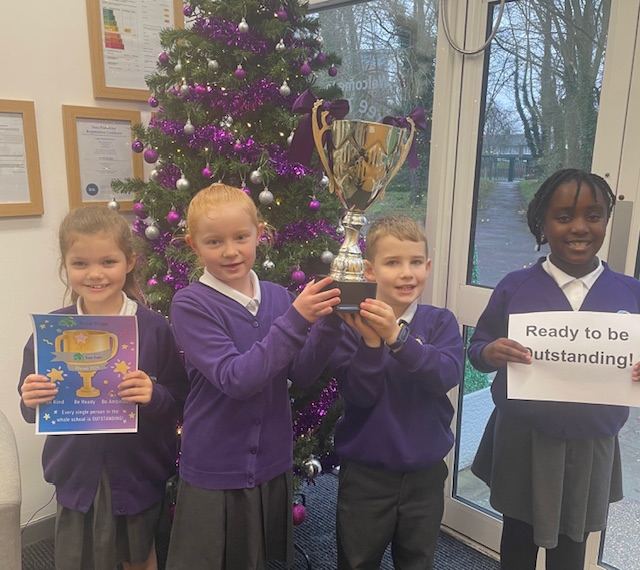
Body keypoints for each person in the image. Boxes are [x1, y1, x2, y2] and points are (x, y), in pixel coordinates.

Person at [468, 168, 640, 570]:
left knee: (571, 550)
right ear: (542, 222)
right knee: (516, 546)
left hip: (590, 443)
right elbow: (478, 348)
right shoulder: (515, 286)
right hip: (522, 439)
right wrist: (490, 351)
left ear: (606, 220)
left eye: (593, 216)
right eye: (564, 217)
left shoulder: (631, 293)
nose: (579, 227)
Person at [165, 183, 342, 570]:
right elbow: (237, 378)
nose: (230, 251)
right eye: (214, 242)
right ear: (193, 245)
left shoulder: (279, 296)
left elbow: (303, 372)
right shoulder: (190, 304)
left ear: (260, 234)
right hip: (216, 464)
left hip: (271, 464)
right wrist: (298, 319)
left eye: (241, 237)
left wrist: (330, 324)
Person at [18, 206, 189, 570]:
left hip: (138, 470)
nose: (95, 274)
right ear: (66, 266)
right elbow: (31, 405)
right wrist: (30, 398)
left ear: (129, 262)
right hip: (77, 475)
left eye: (108, 261)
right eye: (80, 263)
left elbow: (179, 397)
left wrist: (153, 394)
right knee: (79, 559)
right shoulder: (52, 333)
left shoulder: (154, 328)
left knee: (139, 557)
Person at [330, 213, 464, 570]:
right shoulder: (352, 326)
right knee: (357, 561)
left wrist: (397, 338)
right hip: (366, 477)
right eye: (393, 263)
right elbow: (359, 396)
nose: (407, 273)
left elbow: (445, 376)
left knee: (418, 561)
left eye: (416, 262)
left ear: (428, 265)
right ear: (370, 272)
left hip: (425, 475)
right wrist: (372, 344)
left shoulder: (440, 322)